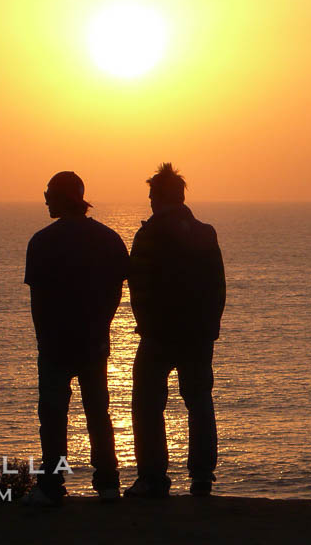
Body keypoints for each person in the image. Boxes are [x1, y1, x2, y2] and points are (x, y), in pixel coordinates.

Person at [21, 171, 128, 506]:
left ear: (62, 197)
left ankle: (52, 487)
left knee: (53, 416)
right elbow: (116, 292)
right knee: (98, 413)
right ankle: (108, 483)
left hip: (54, 342)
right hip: (93, 340)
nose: (45, 198)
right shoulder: (109, 239)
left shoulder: (41, 241)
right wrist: (101, 328)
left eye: (49, 192)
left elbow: (37, 298)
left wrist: (44, 339)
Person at [125, 163, 226, 498]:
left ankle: (153, 477)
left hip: (159, 335)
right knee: (198, 401)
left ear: (159, 196)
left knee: (147, 403)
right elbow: (217, 286)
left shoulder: (149, 234)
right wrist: (211, 326)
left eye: (152, 195)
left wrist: (147, 325)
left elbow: (137, 284)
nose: (150, 202)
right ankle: (201, 477)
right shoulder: (205, 232)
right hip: (197, 333)